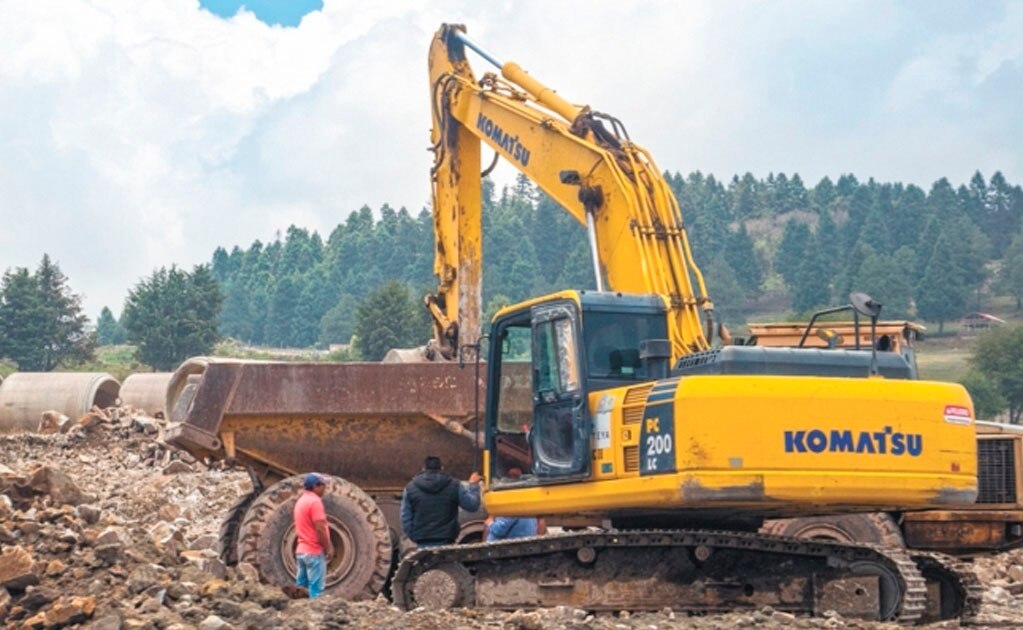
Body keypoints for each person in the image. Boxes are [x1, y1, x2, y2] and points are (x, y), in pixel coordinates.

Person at [401, 456, 481, 547]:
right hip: (447, 539)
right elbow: (472, 506)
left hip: (422, 541)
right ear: (442, 468)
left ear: (423, 469)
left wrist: (413, 536)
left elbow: (405, 517)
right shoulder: (455, 485)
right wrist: (473, 486)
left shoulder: (410, 488)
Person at [292, 473, 333, 599]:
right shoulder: (315, 502)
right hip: (314, 552)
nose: (325, 489)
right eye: (323, 485)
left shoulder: (301, 501)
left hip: (301, 551)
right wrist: (328, 548)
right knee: (316, 590)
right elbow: (320, 528)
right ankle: (314, 617)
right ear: (316, 486)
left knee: (300, 588)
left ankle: (299, 614)